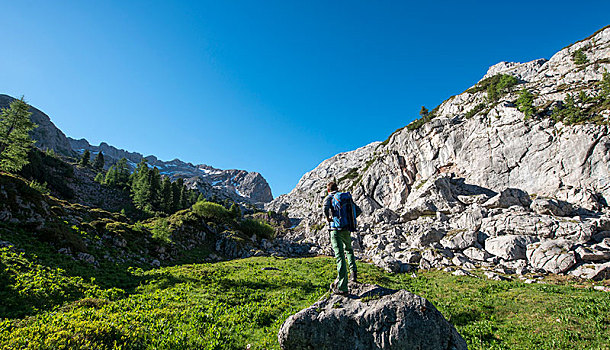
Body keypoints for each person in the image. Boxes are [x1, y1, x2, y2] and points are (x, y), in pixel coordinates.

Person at [323, 181, 360, 296]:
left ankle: (342, 287)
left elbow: (325, 208)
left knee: (339, 256)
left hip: (335, 230)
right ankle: (353, 274)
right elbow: (357, 210)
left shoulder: (329, 197)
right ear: (337, 188)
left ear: (328, 190)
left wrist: (328, 218)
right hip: (346, 229)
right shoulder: (345, 197)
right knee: (349, 250)